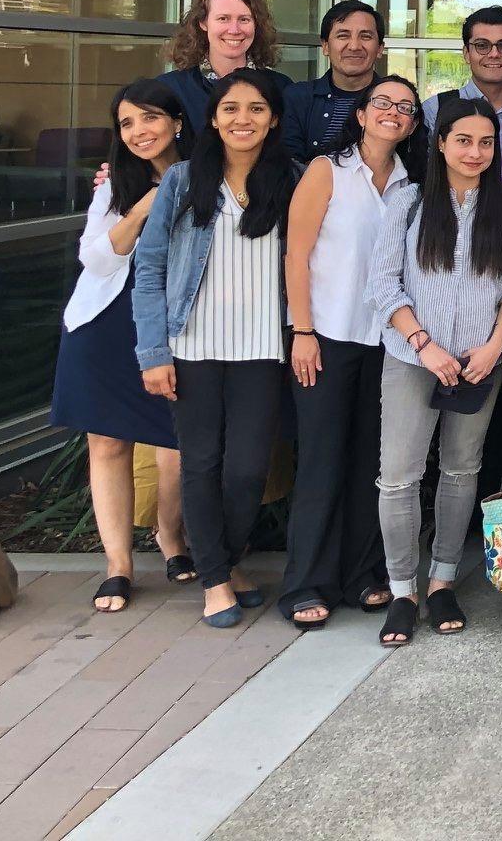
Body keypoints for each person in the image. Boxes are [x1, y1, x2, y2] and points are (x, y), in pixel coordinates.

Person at [132, 69, 297, 629]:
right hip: (192, 347)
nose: (242, 119)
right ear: (213, 117)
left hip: (261, 348)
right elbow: (149, 267)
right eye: (230, 109)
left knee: (248, 470)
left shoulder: (291, 179)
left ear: (273, 118)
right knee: (201, 463)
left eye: (255, 109)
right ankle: (215, 581)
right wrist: (153, 351)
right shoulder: (182, 181)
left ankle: (223, 563)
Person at [368, 97, 502, 647]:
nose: (475, 152)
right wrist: (424, 343)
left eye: (486, 142)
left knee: (462, 471)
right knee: (400, 477)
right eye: (463, 140)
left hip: (481, 362)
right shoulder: (408, 203)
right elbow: (383, 286)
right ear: (440, 143)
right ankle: (402, 589)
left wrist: (494, 346)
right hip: (414, 359)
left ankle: (442, 580)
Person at [278, 75, 424, 628]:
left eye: (405, 107)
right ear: (360, 114)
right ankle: (306, 583)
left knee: (372, 463)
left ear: (412, 123)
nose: (394, 112)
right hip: (328, 338)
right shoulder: (327, 171)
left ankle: (364, 573)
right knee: (321, 460)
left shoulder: (413, 183)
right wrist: (302, 331)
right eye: (382, 103)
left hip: (387, 342)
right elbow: (297, 255)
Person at [54, 80, 194, 612]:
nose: (139, 132)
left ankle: (171, 538)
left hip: (169, 327)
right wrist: (140, 209)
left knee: (176, 443)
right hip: (105, 325)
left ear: (177, 123)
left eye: (150, 118)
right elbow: (96, 257)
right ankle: (118, 565)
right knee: (108, 444)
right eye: (127, 123)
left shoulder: (201, 176)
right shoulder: (115, 186)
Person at [156, 0, 292, 132]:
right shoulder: (170, 89)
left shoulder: (282, 88)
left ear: (256, 24)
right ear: (203, 23)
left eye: (244, 19)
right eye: (223, 19)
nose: (234, 30)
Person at [281, 1, 386, 164]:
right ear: (325, 46)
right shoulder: (297, 98)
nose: (354, 46)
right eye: (343, 35)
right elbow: (290, 164)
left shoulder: (394, 103)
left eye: (365, 36)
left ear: (380, 48)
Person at [422, 6, 502, 147]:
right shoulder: (435, 110)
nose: (494, 54)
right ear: (466, 53)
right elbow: (422, 166)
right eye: (482, 46)